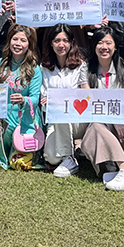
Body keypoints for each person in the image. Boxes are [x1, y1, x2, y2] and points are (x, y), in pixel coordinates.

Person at [77, 26, 124, 191]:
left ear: (115, 46)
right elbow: (90, 103)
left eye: (109, 43)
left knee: (92, 134)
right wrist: (113, 119)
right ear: (94, 46)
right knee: (95, 127)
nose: (104, 47)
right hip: (99, 124)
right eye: (100, 43)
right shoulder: (86, 70)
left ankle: (108, 165)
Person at [0, 23, 43, 170]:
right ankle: (3, 155)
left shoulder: (34, 69)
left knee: (21, 151)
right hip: (4, 114)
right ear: (9, 41)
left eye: (23, 40)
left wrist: (24, 100)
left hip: (25, 116)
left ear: (29, 45)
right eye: (15, 39)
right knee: (2, 131)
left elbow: (35, 98)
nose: (18, 44)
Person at [39, 23, 88, 177]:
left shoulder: (81, 66)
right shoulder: (43, 67)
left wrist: (60, 99)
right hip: (54, 120)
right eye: (57, 41)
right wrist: (48, 100)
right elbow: (43, 97)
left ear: (71, 43)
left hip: (78, 119)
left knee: (61, 108)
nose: (61, 45)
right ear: (51, 43)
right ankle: (72, 150)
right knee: (51, 158)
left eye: (65, 41)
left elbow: (86, 95)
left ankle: (69, 158)